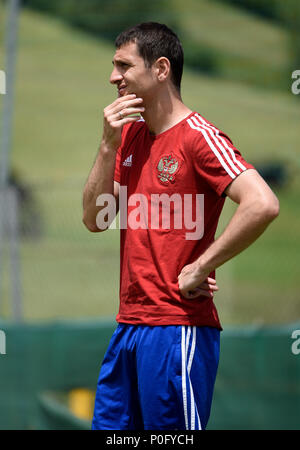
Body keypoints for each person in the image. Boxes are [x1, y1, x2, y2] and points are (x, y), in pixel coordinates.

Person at [82, 22, 279, 430]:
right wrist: (106, 145)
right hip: (128, 328)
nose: (113, 77)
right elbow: (95, 219)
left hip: (177, 330)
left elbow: (263, 204)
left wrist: (200, 266)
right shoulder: (129, 137)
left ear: (161, 69)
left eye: (123, 65)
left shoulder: (200, 138)